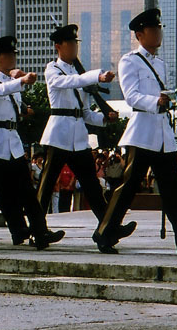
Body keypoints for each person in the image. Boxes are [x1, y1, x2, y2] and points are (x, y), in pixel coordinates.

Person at [93, 8, 177, 256]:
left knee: (171, 191)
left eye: (159, 29)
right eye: (153, 29)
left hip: (162, 137)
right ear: (140, 34)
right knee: (127, 189)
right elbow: (132, 97)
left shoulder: (161, 64)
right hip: (141, 134)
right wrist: (155, 101)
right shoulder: (129, 61)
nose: (158, 33)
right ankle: (105, 234)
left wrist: (166, 101)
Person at [36, 23, 136, 241]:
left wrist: (105, 119)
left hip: (78, 138)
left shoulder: (79, 74)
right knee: (46, 185)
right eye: (69, 43)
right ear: (58, 46)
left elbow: (85, 113)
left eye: (75, 43)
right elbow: (65, 83)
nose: (74, 47)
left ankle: (108, 227)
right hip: (58, 134)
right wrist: (95, 76)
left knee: (92, 186)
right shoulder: (53, 69)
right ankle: (38, 229)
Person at [0, 35, 64, 248]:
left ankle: (38, 232)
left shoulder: (11, 82)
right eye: (7, 55)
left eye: (13, 54)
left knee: (25, 191)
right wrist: (20, 81)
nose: (12, 58)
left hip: (11, 142)